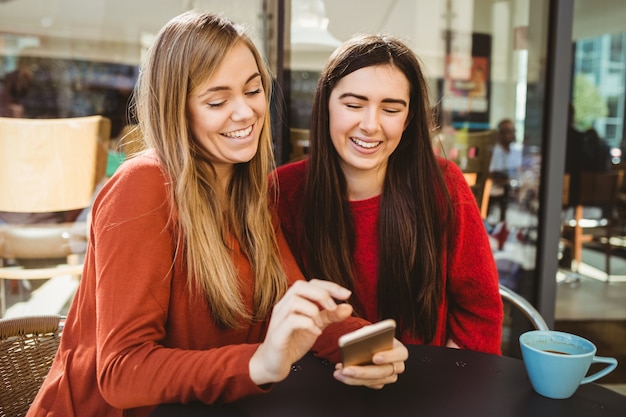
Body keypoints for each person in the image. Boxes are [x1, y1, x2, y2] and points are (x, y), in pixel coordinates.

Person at [27, 13, 408, 417]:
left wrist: (368, 344)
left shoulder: (247, 191)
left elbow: (293, 303)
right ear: (178, 110)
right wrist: (258, 363)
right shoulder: (142, 187)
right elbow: (122, 372)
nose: (245, 113)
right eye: (217, 100)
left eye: (253, 90)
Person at [271, 34, 503, 354]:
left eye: (391, 109)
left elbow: (480, 313)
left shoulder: (443, 185)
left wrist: (448, 385)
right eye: (353, 105)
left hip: (425, 387)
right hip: (320, 383)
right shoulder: (283, 193)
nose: (370, 124)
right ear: (325, 106)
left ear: (408, 120)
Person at [488, 118, 522, 222]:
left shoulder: (515, 151)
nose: (509, 135)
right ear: (500, 134)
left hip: (512, 194)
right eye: (505, 132)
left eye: (511, 131)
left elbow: (518, 171)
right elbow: (493, 174)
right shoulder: (495, 151)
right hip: (497, 193)